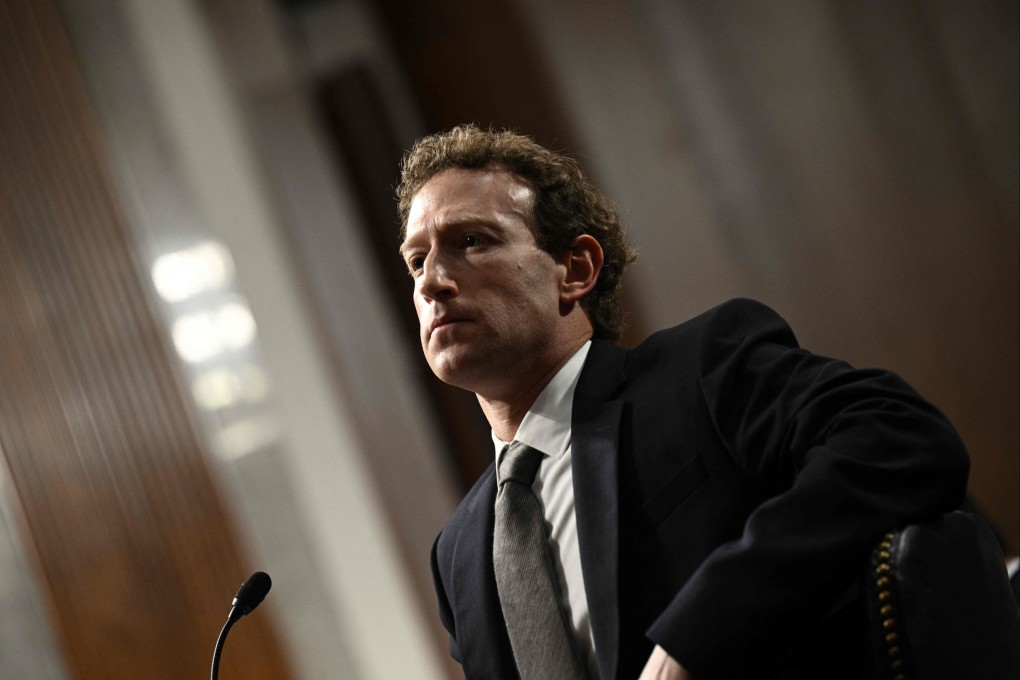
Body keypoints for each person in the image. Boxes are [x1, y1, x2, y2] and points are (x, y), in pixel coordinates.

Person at [396, 124, 969, 679]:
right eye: (417, 260)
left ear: (575, 269)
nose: (431, 282)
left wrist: (699, 636)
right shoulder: (458, 553)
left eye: (472, 241)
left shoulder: (700, 373)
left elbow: (903, 437)